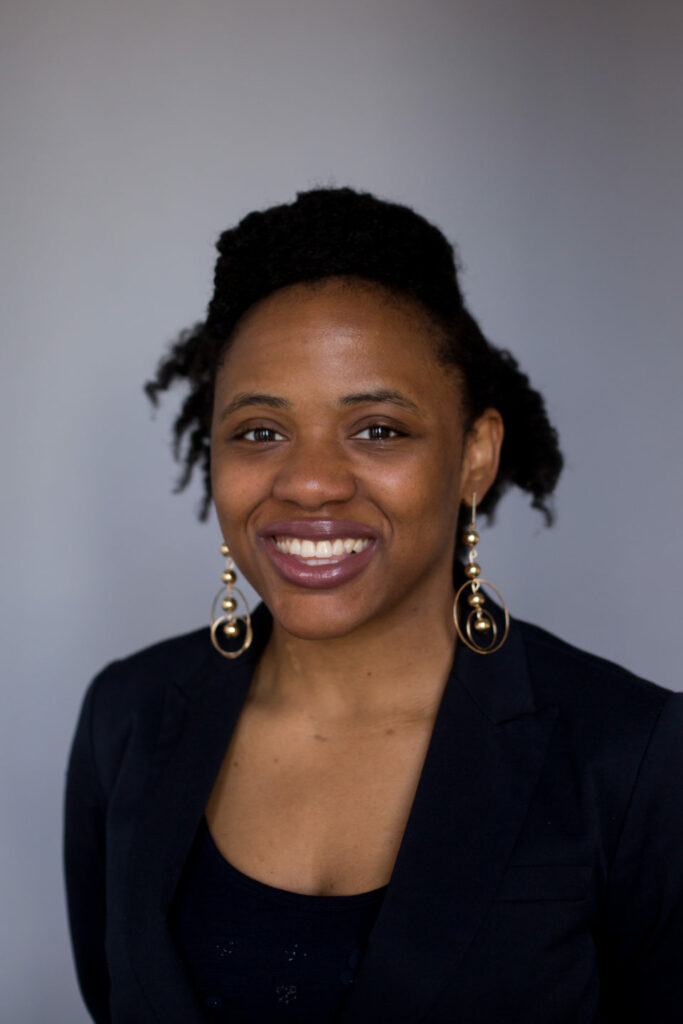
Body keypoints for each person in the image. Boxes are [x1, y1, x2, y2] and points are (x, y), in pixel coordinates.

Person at [64, 187, 683, 1024]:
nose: (309, 480)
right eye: (258, 431)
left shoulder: (634, 756)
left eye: (378, 430)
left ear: (475, 455)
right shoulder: (128, 716)